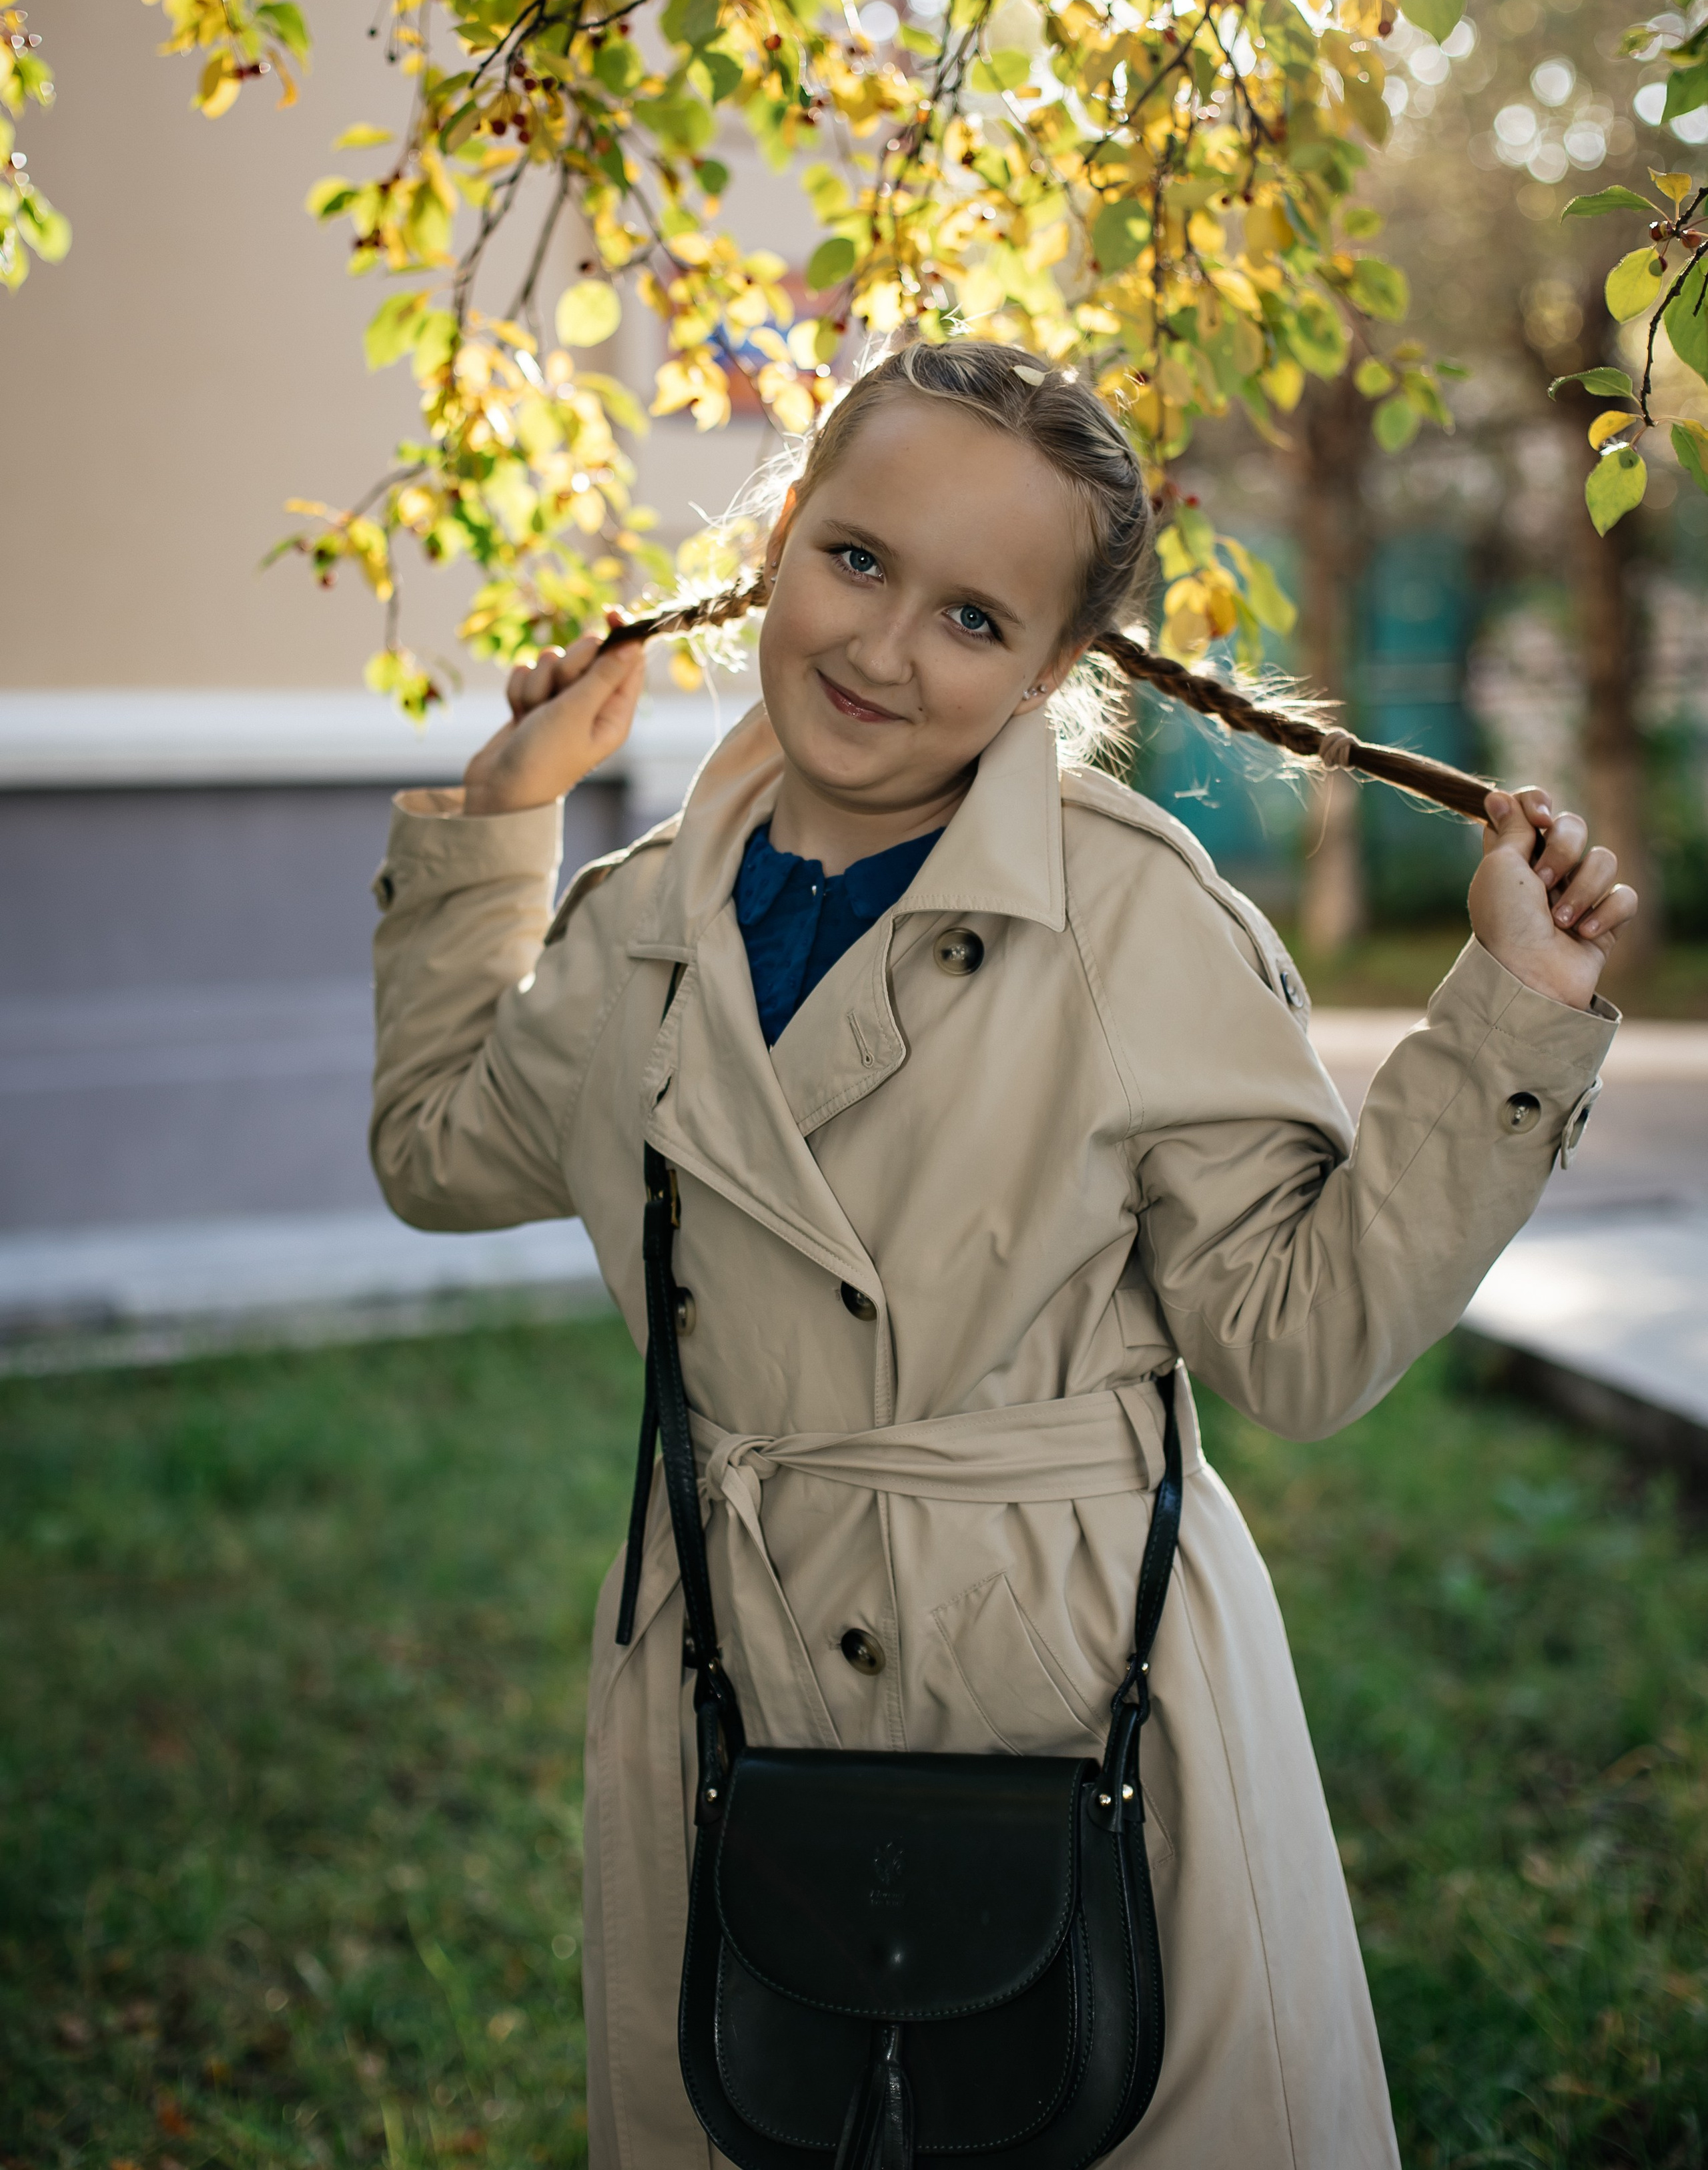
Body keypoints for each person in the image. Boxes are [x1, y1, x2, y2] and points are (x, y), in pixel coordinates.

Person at [368, 340, 1631, 2169]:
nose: (885, 649)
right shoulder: (639, 919)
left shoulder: (1130, 916)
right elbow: (434, 1151)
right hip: (723, 1661)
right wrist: (500, 822)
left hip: (1063, 1681)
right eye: (857, 560)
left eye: (973, 619)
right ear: (780, 539)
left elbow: (1300, 1346)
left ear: (1052, 669)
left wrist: (1514, 1011)